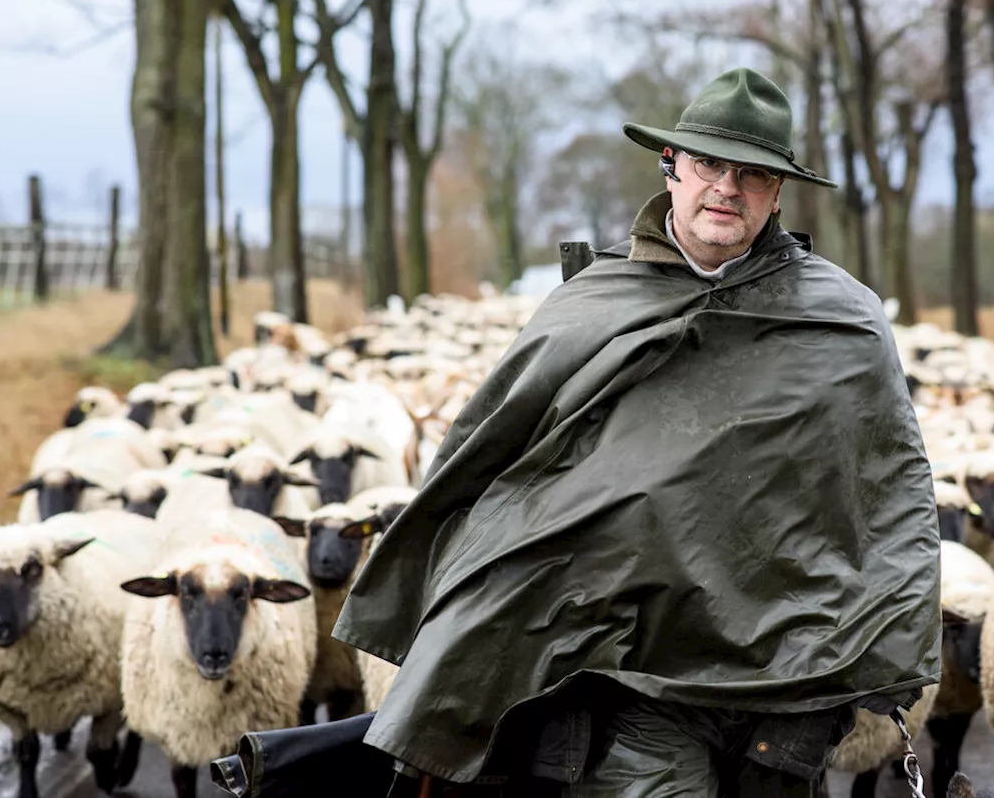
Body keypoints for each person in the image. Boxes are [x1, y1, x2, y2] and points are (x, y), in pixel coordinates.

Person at [334, 67, 942, 797]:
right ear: (672, 169)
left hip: (788, 669)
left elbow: (888, 492)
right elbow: (494, 463)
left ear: (778, 192)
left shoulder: (841, 320)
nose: (726, 187)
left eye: (751, 174)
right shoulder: (593, 303)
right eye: (708, 164)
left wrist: (887, 643)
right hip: (629, 667)